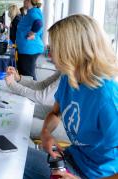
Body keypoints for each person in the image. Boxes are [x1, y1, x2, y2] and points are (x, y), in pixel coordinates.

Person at [24, 15, 118, 179]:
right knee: (15, 157)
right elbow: (55, 113)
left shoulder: (107, 97)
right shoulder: (69, 78)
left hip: (90, 175)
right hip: (70, 159)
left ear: (72, 51)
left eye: (54, 48)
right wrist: (46, 133)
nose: (50, 54)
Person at [5, 67, 67, 141]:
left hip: (67, 126)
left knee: (16, 124)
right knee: (19, 108)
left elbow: (42, 98)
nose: (48, 56)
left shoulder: (69, 73)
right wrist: (19, 79)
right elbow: (42, 85)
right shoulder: (63, 70)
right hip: (61, 113)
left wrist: (13, 85)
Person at [16, 0, 44, 80]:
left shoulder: (33, 13)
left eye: (25, 0)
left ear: (29, 0)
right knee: (26, 75)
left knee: (27, 77)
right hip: (27, 49)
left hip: (29, 49)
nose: (23, 2)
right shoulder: (32, 12)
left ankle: (31, 93)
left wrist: (32, 33)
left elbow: (38, 23)